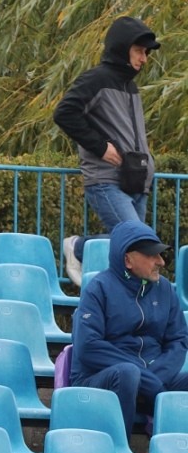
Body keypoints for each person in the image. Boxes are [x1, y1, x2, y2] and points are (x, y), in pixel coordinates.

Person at [53, 16, 161, 286]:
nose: (144, 59)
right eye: (139, 51)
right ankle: (78, 247)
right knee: (140, 241)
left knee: (137, 246)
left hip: (136, 181)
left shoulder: (130, 87)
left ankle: (117, 299)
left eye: (146, 53)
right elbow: (64, 113)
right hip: (107, 179)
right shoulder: (96, 79)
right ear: (122, 48)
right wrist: (100, 147)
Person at [70, 220, 188, 438]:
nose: (161, 262)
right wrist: (145, 377)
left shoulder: (165, 290)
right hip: (101, 379)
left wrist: (155, 377)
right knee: (128, 373)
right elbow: (88, 347)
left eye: (160, 255)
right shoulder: (98, 289)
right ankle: (117, 448)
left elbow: (179, 340)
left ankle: (175, 452)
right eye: (152, 255)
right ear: (128, 260)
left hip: (153, 379)